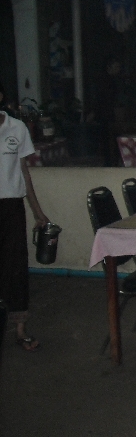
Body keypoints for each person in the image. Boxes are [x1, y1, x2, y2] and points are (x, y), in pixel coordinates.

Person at [0, 80, 49, 352]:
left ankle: (20, 329)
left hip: (10, 207)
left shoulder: (16, 128)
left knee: (16, 266)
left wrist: (38, 212)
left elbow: (24, 174)